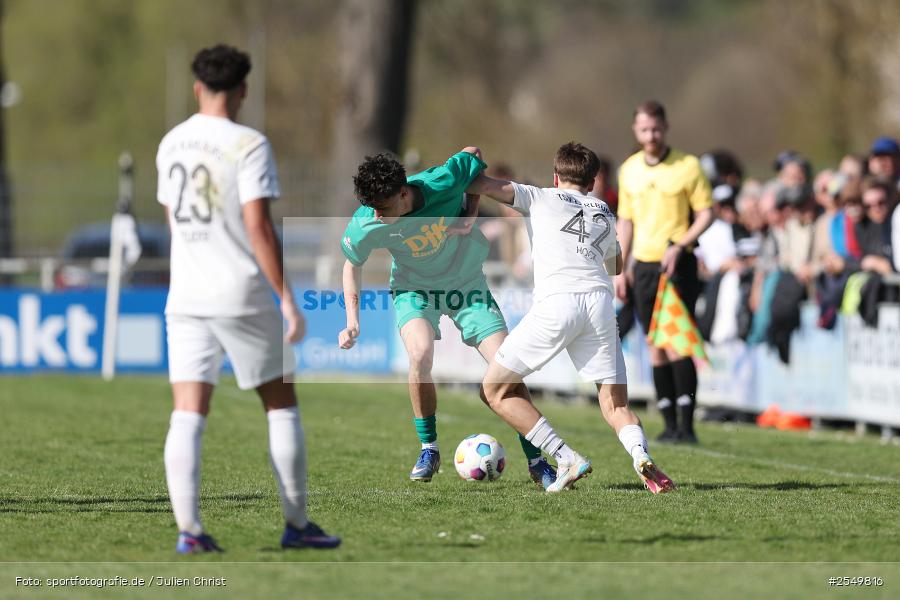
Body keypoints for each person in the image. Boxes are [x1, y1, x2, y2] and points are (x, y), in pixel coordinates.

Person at [156, 45, 339, 553]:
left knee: (188, 412)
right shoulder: (249, 143)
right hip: (240, 291)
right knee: (280, 403)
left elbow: (174, 220)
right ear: (242, 90)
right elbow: (257, 225)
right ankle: (298, 525)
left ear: (198, 87)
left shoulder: (171, 143)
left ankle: (189, 532)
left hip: (186, 294)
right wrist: (286, 297)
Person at [338, 150, 558, 488]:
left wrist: (470, 211)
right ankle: (429, 449)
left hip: (465, 283)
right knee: (420, 354)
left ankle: (537, 461)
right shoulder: (368, 217)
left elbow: (473, 155)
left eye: (384, 208)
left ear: (403, 192)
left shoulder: (440, 180)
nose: (378, 216)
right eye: (373, 209)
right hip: (414, 290)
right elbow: (351, 264)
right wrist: (352, 319)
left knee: (507, 366)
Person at [469, 141, 675, 494]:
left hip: (558, 303)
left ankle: (564, 457)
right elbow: (617, 266)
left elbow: (481, 185)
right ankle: (640, 455)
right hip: (598, 304)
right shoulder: (603, 211)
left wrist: (468, 161)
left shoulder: (539, 196)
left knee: (494, 389)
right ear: (593, 181)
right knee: (615, 404)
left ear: (555, 176)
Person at [615, 100, 713, 444]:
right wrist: (619, 268)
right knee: (654, 343)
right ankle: (669, 424)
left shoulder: (688, 166)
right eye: (644, 130)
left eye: (656, 129)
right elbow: (625, 222)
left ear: (665, 127)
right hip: (642, 266)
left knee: (677, 342)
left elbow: (705, 213)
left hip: (677, 264)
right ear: (635, 131)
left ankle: (687, 426)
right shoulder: (629, 170)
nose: (651, 135)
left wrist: (681, 244)